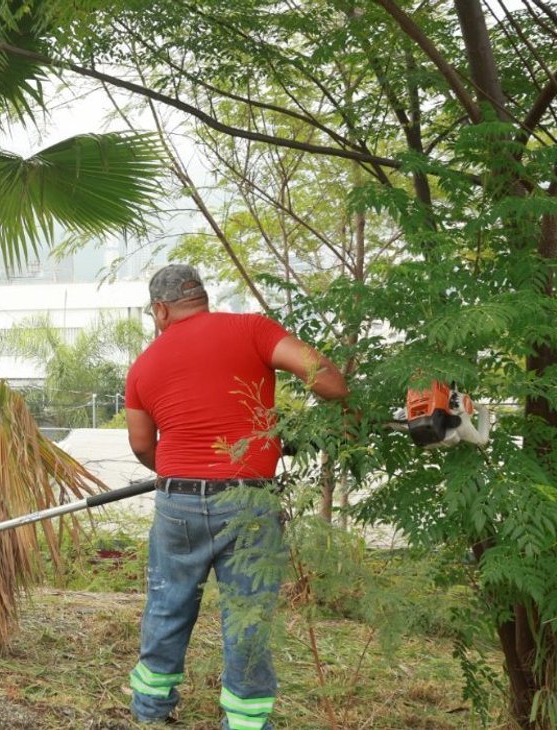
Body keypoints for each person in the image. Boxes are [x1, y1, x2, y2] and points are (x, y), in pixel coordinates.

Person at [124, 264, 349, 729]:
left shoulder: (143, 366)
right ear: (202, 299)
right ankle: (245, 724)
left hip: (177, 503)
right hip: (249, 501)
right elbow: (328, 380)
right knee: (247, 613)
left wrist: (177, 475)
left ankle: (150, 714)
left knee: (168, 604)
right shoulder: (251, 329)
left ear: (161, 309)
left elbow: (144, 446)